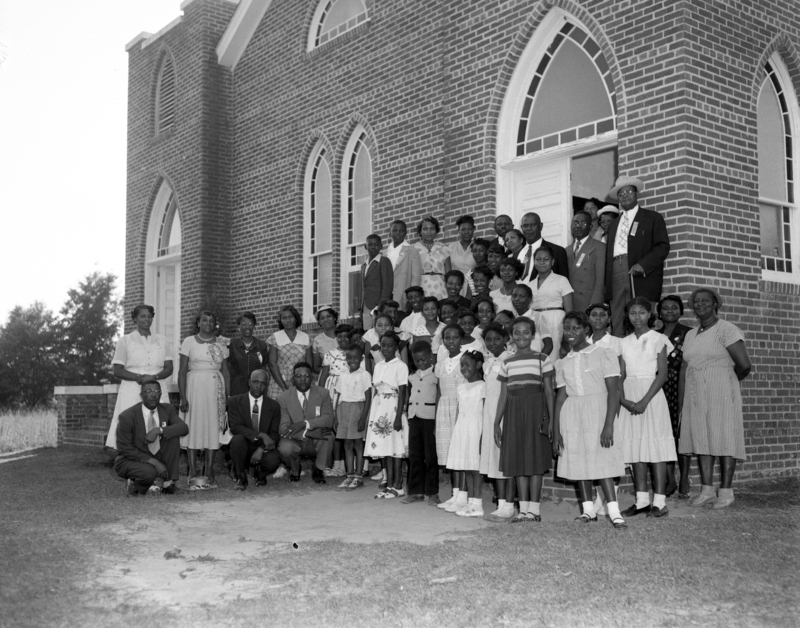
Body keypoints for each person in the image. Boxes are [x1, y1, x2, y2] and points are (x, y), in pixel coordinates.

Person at [553, 312, 628, 529]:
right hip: (572, 413)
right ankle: (588, 511)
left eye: (576, 328)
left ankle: (614, 511)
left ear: (586, 330)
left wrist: (608, 424)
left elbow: (613, 392)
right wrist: (556, 429)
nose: (570, 332)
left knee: (602, 461)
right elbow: (560, 397)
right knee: (578, 460)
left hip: (598, 411)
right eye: (566, 328)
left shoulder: (604, 353)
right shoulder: (563, 362)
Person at [679, 288, 751, 509]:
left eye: (705, 301)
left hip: (721, 392)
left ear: (715, 304)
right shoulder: (691, 334)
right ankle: (707, 490)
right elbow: (685, 367)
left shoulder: (726, 330)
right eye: (696, 301)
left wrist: (725, 383)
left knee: (724, 437)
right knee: (702, 438)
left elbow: (745, 365)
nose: (700, 304)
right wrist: (684, 402)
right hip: (696, 393)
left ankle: (726, 492)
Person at [617, 297, 677, 518]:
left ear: (649, 314)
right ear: (628, 316)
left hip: (651, 396)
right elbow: (621, 375)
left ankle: (659, 502)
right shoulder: (623, 342)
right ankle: (642, 500)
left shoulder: (659, 339)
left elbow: (662, 374)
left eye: (642, 313)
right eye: (633, 313)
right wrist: (623, 400)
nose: (637, 317)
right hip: (630, 394)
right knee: (636, 449)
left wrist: (643, 401)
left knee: (655, 448)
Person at [494, 317, 555, 522]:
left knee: (535, 459)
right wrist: (497, 422)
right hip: (513, 412)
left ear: (533, 335)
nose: (521, 336)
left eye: (526, 332)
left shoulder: (542, 358)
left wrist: (551, 419)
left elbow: (549, 391)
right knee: (519, 460)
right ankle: (523, 509)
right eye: (517, 333)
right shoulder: (507, 362)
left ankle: (535, 510)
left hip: (536, 411)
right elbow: (504, 394)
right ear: (511, 336)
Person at [604, 175, 670, 337]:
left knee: (641, 316)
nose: (625, 195)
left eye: (629, 191)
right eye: (621, 193)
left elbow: (663, 246)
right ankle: (620, 357)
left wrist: (644, 264)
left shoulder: (653, 218)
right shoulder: (613, 224)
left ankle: (644, 356)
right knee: (618, 317)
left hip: (640, 273)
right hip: (616, 271)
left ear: (636, 194)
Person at [106, 304, 173, 451]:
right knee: (133, 424)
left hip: (157, 386)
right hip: (133, 388)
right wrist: (140, 378)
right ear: (135, 319)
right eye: (142, 316)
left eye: (149, 316)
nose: (146, 319)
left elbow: (169, 368)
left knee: (158, 423)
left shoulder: (162, 340)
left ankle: (158, 463)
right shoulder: (125, 341)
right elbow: (117, 370)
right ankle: (133, 466)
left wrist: (153, 376)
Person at [178, 311, 231, 486]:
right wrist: (183, 397)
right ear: (198, 323)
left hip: (215, 387)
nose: (208, 323)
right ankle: (192, 469)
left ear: (215, 324)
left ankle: (209, 469)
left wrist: (227, 397)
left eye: (212, 320)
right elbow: (182, 370)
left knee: (212, 426)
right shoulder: (189, 342)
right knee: (193, 425)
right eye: (204, 320)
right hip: (194, 386)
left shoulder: (221, 343)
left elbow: (226, 372)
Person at [114, 381, 188, 496]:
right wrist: (154, 463)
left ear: (160, 394)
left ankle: (169, 485)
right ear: (141, 395)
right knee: (149, 472)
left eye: (157, 391)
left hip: (157, 452)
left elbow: (183, 428)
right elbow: (124, 449)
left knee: (172, 436)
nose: (153, 394)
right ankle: (134, 483)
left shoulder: (167, 409)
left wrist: (158, 430)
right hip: (131, 459)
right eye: (149, 391)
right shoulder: (127, 416)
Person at [657, 295, 693, 498]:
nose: (669, 311)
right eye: (665, 308)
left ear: (681, 311)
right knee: (665, 434)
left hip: (681, 385)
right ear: (659, 313)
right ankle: (669, 479)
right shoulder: (655, 334)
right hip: (660, 388)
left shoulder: (689, 333)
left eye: (674, 308)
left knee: (681, 433)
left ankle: (684, 478)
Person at [365, 331, 409, 499]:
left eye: (390, 345)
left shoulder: (401, 365)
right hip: (380, 408)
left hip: (393, 409)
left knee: (396, 448)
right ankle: (389, 484)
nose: (386, 348)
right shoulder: (378, 366)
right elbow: (376, 390)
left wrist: (398, 417)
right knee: (385, 449)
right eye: (383, 345)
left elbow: (403, 391)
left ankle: (398, 486)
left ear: (396, 347)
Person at [479, 323, 516, 522]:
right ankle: (501, 503)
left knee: (506, 459)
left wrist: (500, 418)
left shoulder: (509, 360)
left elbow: (508, 391)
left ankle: (509, 504)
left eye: (496, 339)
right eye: (488, 340)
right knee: (494, 459)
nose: (492, 343)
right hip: (489, 412)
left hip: (504, 412)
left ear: (505, 339)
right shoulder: (487, 361)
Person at [277, 362, 334, 484]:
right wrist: (307, 433)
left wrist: (304, 424)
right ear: (293, 379)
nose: (303, 379)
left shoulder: (323, 393)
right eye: (298, 376)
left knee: (328, 435)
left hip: (316, 437)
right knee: (284, 447)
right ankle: (294, 469)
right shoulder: (283, 397)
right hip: (295, 438)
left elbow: (329, 418)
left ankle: (318, 470)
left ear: (312, 378)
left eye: (307, 376)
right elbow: (283, 428)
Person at [445, 350, 486, 518]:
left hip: (476, 428)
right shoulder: (461, 387)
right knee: (467, 467)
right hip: (463, 428)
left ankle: (478, 504)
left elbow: (484, 412)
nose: (464, 368)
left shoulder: (483, 386)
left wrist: (483, 436)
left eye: (467, 364)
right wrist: (456, 432)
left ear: (478, 365)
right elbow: (459, 412)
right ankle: (470, 501)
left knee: (476, 468)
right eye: (461, 365)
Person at [227, 370, 281, 490]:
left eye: (263, 383)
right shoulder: (235, 401)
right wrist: (261, 435)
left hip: (263, 446)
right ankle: (241, 477)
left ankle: (260, 475)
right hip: (244, 443)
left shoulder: (274, 406)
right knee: (237, 440)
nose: (259, 386)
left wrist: (261, 449)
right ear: (249, 382)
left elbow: (274, 433)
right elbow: (236, 427)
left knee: (274, 459)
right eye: (255, 382)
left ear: (266, 386)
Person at [435, 324, 469, 512]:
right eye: (447, 338)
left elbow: (466, 390)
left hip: (459, 408)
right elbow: (439, 392)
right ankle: (455, 494)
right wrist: (436, 419)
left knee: (460, 454)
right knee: (450, 455)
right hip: (444, 411)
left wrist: (460, 414)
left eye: (455, 338)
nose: (451, 341)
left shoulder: (465, 361)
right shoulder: (440, 364)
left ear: (461, 339)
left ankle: (462, 496)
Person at [402, 340, 440, 505]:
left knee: (431, 456)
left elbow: (439, 397)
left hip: (430, 418)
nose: (420, 363)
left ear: (431, 357)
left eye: (423, 359)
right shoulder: (412, 376)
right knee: (415, 455)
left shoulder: (436, 375)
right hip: (414, 418)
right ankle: (416, 491)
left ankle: (432, 492)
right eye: (417, 360)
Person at [334, 343, 373, 490]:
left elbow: (368, 397)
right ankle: (349, 475)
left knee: (358, 443)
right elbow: (338, 397)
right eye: (349, 358)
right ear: (346, 359)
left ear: (361, 358)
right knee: (347, 444)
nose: (352, 361)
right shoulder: (342, 374)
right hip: (343, 409)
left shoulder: (365, 375)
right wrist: (335, 416)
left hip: (358, 409)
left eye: (355, 358)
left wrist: (363, 417)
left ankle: (358, 476)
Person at [527, 245, 574, 363]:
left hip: (555, 321)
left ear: (552, 262)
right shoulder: (530, 285)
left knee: (553, 357)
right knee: (535, 353)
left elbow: (569, 311)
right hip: (534, 322)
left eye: (546, 259)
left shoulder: (561, 280)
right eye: (538, 259)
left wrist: (567, 332)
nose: (542, 262)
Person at [266, 305, 313, 401]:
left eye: (291, 317)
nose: (288, 320)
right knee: (278, 411)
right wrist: (283, 387)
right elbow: (272, 364)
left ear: (296, 318)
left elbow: (309, 365)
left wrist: (302, 380)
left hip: (301, 380)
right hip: (278, 381)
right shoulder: (275, 337)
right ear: (281, 321)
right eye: (284, 318)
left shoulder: (306, 338)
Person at [567, 211, 606, 314]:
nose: (578, 226)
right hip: (570, 304)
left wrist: (594, 306)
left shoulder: (599, 247)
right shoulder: (566, 250)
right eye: (575, 223)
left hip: (588, 303)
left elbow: (600, 281)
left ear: (590, 226)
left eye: (583, 223)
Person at [518, 212, 569, 282]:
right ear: (521, 228)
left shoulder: (558, 251)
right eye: (525, 226)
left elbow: (564, 283)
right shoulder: (518, 252)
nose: (529, 228)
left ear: (541, 226)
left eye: (533, 225)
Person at [228, 311, 269, 397]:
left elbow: (264, 368)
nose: (247, 327)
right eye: (244, 324)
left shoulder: (261, 345)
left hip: (256, 387)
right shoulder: (232, 345)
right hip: (236, 387)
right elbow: (227, 369)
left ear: (254, 326)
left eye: (250, 324)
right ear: (239, 326)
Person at [386, 219, 422, 311]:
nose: (398, 233)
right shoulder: (385, 252)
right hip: (387, 295)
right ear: (390, 232)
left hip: (403, 294)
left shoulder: (411, 251)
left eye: (401, 230)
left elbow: (416, 277)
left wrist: (412, 298)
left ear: (406, 233)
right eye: (394, 230)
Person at [361, 234, 394, 329]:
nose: (373, 247)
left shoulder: (384, 261)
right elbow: (362, 287)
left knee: (379, 330)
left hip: (377, 305)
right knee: (368, 332)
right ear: (365, 246)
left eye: (376, 244)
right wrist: (361, 308)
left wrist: (381, 306)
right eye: (370, 244)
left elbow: (387, 286)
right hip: (366, 306)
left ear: (381, 246)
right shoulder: (364, 265)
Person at [414, 216, 451, 300]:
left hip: (441, 288)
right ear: (420, 231)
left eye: (432, 229)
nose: (429, 232)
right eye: (425, 229)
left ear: (436, 231)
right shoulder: (413, 249)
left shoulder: (444, 248)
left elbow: (449, 274)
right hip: (421, 288)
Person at [448, 215, 476, 297]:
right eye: (463, 229)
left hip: (472, 286)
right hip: (454, 286)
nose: (466, 232)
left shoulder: (478, 247)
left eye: (469, 229)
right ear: (458, 231)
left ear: (474, 229)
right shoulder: (451, 247)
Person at [311, 306, 339, 377]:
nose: (326, 319)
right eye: (322, 318)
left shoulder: (344, 336)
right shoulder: (317, 340)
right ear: (319, 322)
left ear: (334, 318)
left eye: (328, 316)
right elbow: (316, 367)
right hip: (328, 379)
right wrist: (331, 373)